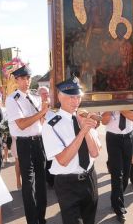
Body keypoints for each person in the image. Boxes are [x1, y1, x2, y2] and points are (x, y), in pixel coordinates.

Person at [42, 76, 101, 224]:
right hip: (68, 184)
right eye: (71, 97)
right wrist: (81, 132)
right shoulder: (51, 125)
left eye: (78, 97)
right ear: (60, 97)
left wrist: (86, 129)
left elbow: (95, 153)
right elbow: (63, 160)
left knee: (90, 221)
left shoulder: (84, 118)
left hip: (89, 179)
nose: (76, 102)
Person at [5, 65, 49, 224]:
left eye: (28, 78)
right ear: (16, 80)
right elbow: (22, 124)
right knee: (29, 185)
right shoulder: (12, 99)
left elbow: (42, 122)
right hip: (24, 144)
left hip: (39, 142)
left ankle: (41, 218)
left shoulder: (36, 97)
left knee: (41, 182)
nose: (26, 81)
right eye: (23, 78)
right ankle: (33, 220)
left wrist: (45, 113)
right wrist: (41, 113)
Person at [102, 108, 133, 222]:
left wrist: (121, 108)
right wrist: (111, 107)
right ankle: (118, 207)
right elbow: (104, 121)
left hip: (129, 137)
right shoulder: (108, 100)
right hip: (113, 138)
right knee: (117, 173)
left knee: (126, 173)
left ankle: (117, 197)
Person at [38, 86, 55, 187]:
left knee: (53, 159)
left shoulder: (53, 105)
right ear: (39, 95)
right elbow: (40, 122)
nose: (46, 95)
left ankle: (53, 179)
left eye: (47, 93)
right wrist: (43, 110)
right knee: (46, 160)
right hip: (42, 137)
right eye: (44, 93)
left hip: (53, 136)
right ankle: (49, 180)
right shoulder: (37, 106)